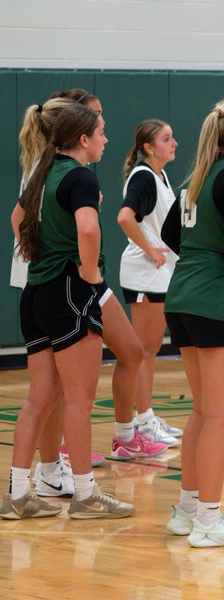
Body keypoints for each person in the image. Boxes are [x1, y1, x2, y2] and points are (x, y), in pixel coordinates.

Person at [3, 103, 133, 521]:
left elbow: (17, 217)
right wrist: (92, 272)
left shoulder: (44, 171)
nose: (106, 139)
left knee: (39, 397)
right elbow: (89, 228)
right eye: (102, 132)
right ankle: (85, 494)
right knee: (79, 399)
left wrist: (37, 252)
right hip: (69, 291)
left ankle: (18, 494)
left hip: (36, 291)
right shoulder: (79, 175)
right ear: (83, 139)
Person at [161, 97, 224, 548]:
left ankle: (187, 510)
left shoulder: (194, 177)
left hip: (182, 298)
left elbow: (167, 234)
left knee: (203, 411)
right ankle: (210, 520)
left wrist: (203, 255)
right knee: (220, 415)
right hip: (219, 300)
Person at [118, 118, 183, 448]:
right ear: (148, 147)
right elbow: (125, 217)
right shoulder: (143, 177)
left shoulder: (160, 175)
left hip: (159, 272)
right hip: (144, 272)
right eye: (166, 139)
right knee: (143, 351)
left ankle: (147, 416)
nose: (174, 144)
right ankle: (141, 423)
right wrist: (150, 249)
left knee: (151, 349)